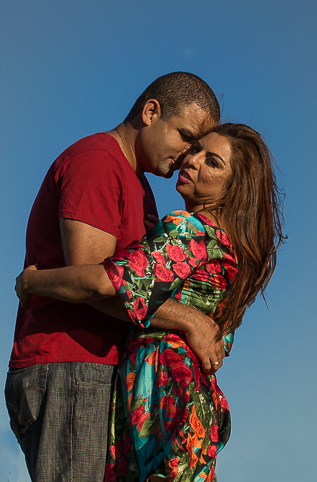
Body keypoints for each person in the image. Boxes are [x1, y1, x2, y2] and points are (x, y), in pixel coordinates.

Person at [15, 123, 285, 482]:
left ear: (234, 189)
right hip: (190, 403)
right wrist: (188, 319)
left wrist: (33, 281)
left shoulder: (190, 231)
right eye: (195, 149)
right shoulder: (234, 254)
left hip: (160, 395)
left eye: (213, 162)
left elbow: (104, 283)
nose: (191, 160)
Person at [5, 73, 225, 482]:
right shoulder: (98, 162)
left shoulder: (139, 186)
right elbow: (99, 284)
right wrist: (190, 320)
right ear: (150, 111)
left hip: (94, 372)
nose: (186, 156)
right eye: (185, 137)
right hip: (71, 366)